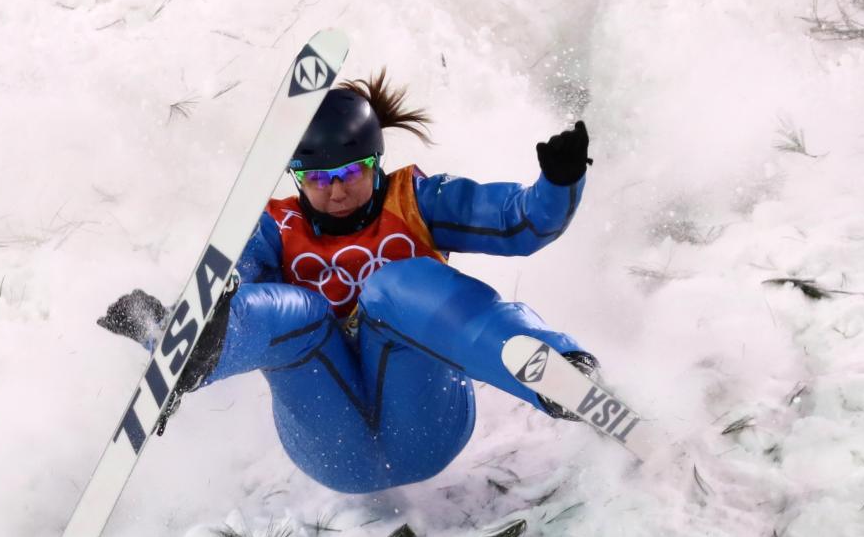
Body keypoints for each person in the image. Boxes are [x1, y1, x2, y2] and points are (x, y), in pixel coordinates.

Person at [98, 70, 597, 494]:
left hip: (428, 423)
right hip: (332, 446)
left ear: (376, 162)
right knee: (295, 310)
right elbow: (233, 290)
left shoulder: (417, 200)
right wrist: (186, 325)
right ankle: (188, 355)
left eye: (352, 172)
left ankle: (554, 373)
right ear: (296, 177)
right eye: (316, 179)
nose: (335, 192)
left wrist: (558, 182)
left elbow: (518, 224)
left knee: (395, 287)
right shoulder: (276, 228)